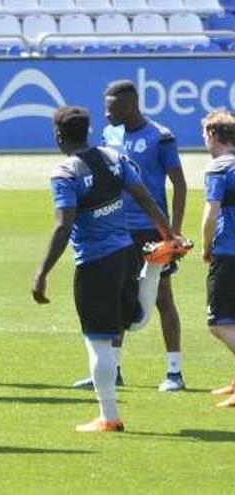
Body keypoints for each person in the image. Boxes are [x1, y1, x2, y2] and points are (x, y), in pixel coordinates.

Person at [32, 106, 180, 432]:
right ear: (87, 130)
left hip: (94, 265)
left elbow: (63, 226)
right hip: (126, 252)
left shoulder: (66, 173)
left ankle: (109, 417)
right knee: (133, 320)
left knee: (98, 342)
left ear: (59, 136)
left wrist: (42, 273)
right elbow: (145, 198)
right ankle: (152, 270)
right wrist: (168, 234)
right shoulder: (114, 158)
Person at [74, 80, 188, 392]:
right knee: (117, 298)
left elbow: (178, 183)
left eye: (111, 109)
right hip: (117, 229)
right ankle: (113, 369)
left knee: (163, 299)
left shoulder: (160, 137)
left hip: (152, 228)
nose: (106, 115)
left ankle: (174, 372)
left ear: (129, 106)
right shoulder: (109, 136)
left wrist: (173, 231)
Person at [198, 110, 235, 407]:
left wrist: (206, 246)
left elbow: (211, 215)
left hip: (228, 252)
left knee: (218, 323)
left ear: (212, 135)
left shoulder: (218, 168)